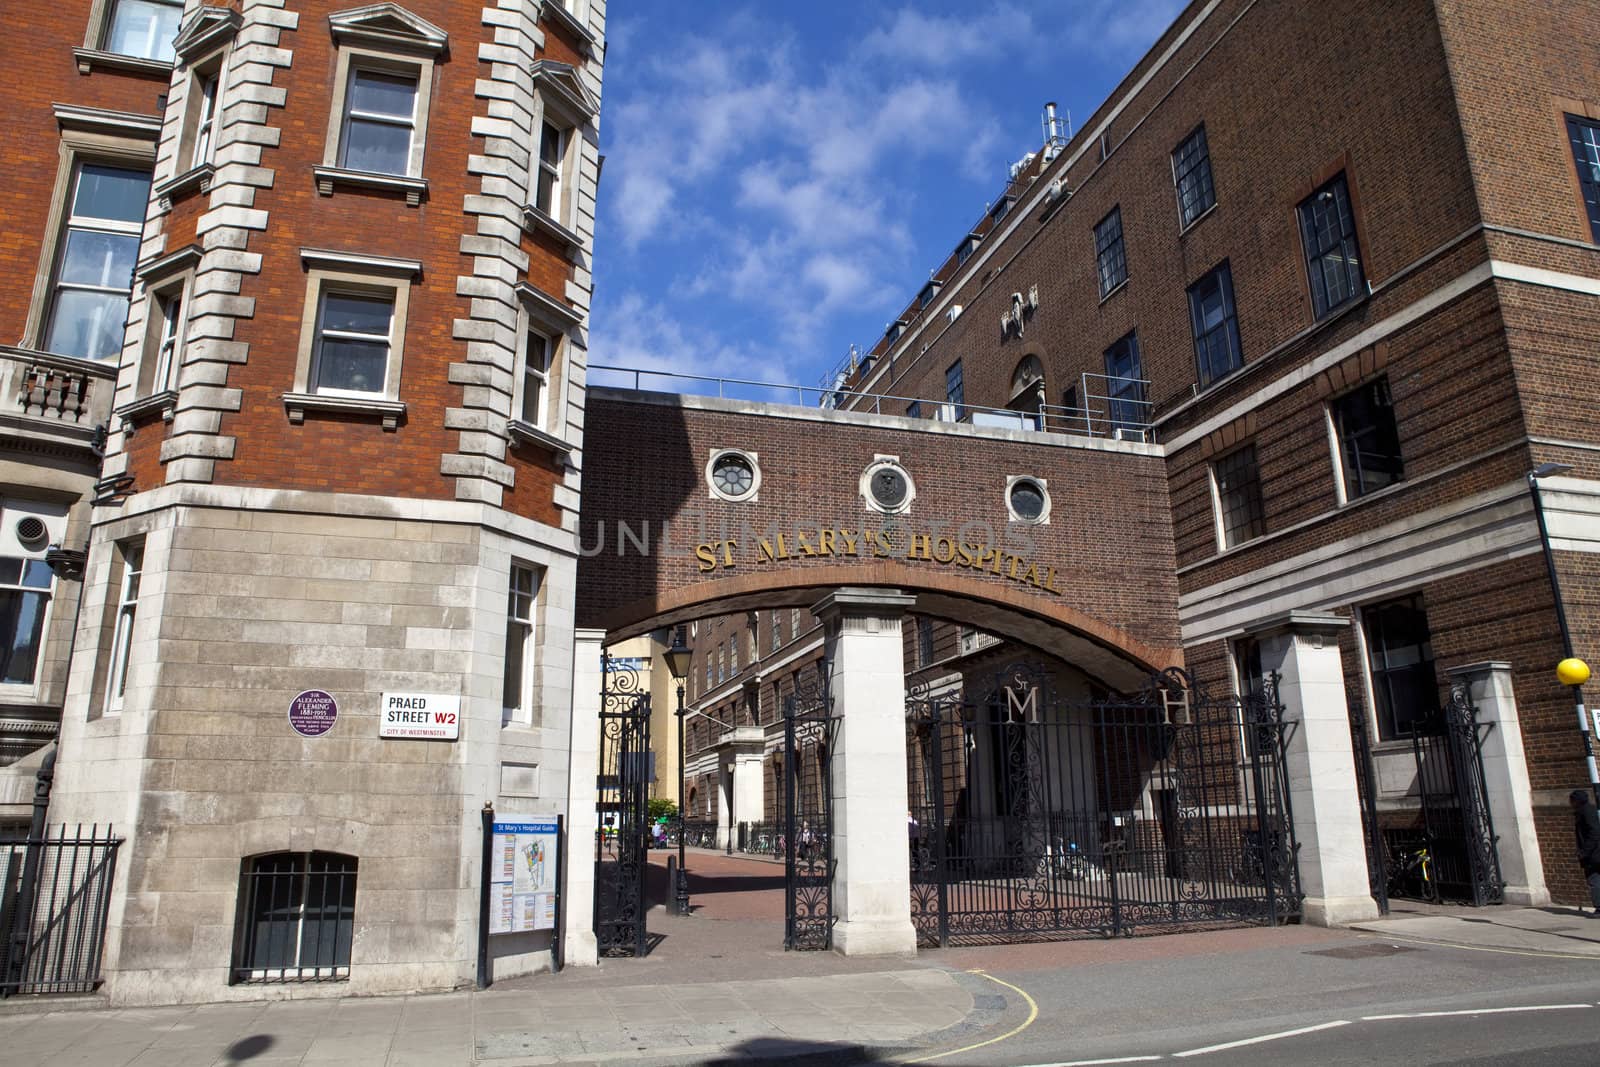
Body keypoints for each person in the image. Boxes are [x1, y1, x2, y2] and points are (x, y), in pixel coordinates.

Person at [1570, 789, 1600, 914]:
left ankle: (1599, 907)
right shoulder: (1589, 810)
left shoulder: (1585, 812)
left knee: (1594, 880)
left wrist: (1584, 852)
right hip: (1594, 853)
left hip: (1594, 854)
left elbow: (1594, 833)